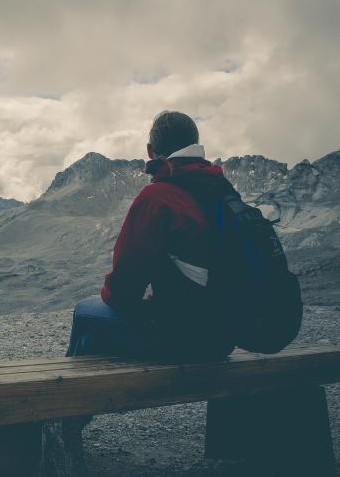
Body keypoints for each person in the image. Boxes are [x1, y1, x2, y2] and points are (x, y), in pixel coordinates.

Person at [66, 110, 236, 361]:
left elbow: (124, 287)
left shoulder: (158, 197)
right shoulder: (222, 189)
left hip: (183, 337)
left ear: (150, 150)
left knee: (84, 311)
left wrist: (142, 303)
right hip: (226, 336)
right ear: (196, 145)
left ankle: (74, 394)